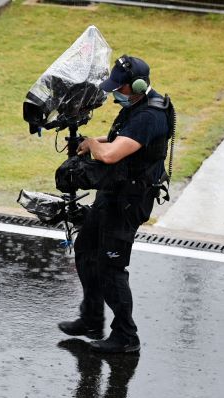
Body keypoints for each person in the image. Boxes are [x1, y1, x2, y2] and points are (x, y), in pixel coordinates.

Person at [58, 55, 174, 353]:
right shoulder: (136, 107)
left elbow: (110, 155)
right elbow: (120, 140)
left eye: (118, 88)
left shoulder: (150, 115)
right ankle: (92, 318)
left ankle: (125, 337)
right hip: (113, 193)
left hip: (128, 201)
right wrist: (93, 140)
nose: (114, 94)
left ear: (136, 86)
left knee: (112, 267)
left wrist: (94, 146)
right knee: (86, 250)